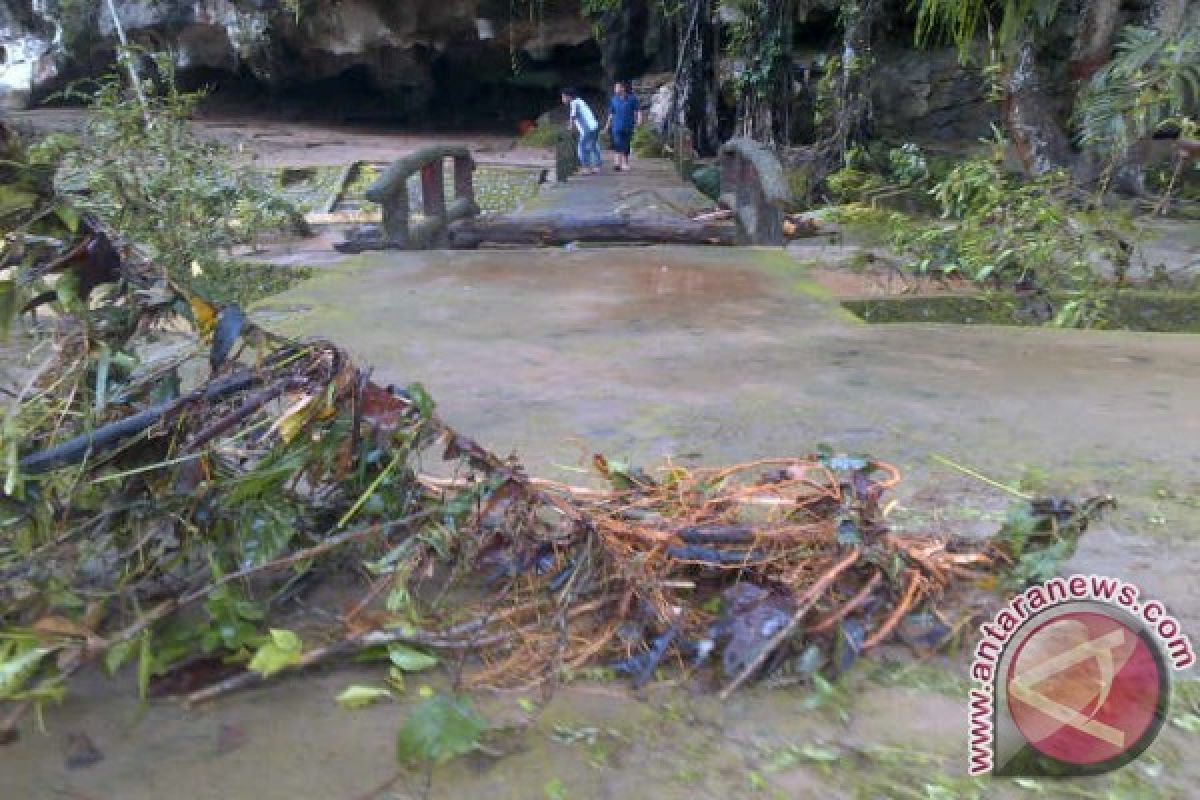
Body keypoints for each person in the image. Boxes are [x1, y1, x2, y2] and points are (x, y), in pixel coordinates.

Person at [562, 88, 601, 175]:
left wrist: (570, 126)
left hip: (588, 129)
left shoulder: (574, 102)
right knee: (593, 146)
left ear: (568, 97)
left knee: (582, 147)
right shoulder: (580, 101)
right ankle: (597, 167)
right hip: (594, 126)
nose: (563, 99)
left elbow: (573, 115)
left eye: (563, 97)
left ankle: (586, 168)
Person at [604, 81, 642, 171]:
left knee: (626, 144)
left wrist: (639, 120)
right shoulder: (613, 99)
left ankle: (625, 163)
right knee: (617, 143)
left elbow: (638, 110)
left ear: (622, 88)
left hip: (628, 125)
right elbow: (611, 114)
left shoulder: (632, 99)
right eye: (615, 87)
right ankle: (617, 163)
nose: (615, 89)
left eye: (617, 87)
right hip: (616, 126)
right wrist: (607, 126)